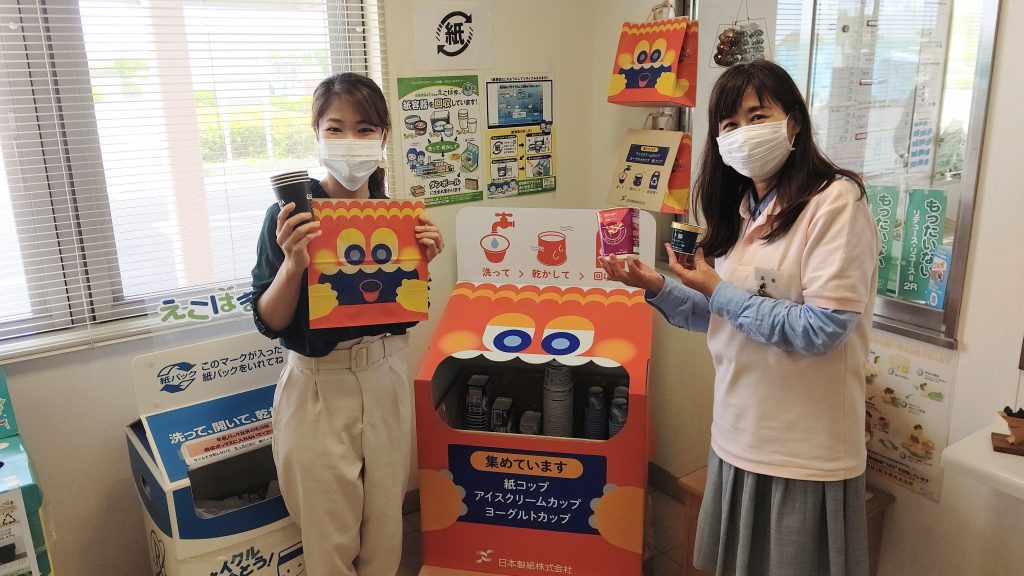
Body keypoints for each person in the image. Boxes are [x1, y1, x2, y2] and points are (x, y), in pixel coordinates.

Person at [601, 60, 878, 576]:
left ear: (793, 122)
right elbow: (720, 315)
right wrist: (655, 285)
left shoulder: (836, 203)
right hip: (737, 432)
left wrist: (718, 290)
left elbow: (823, 329)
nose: (743, 133)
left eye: (758, 116)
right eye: (729, 124)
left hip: (803, 449)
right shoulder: (745, 210)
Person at [251, 72, 444, 576]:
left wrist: (421, 263)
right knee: (329, 535)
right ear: (316, 134)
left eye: (364, 129)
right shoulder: (290, 216)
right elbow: (270, 320)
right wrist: (294, 264)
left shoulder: (398, 216)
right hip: (319, 385)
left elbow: (403, 312)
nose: (349, 140)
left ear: (383, 136)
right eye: (335, 128)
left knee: (385, 526)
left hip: (385, 375)